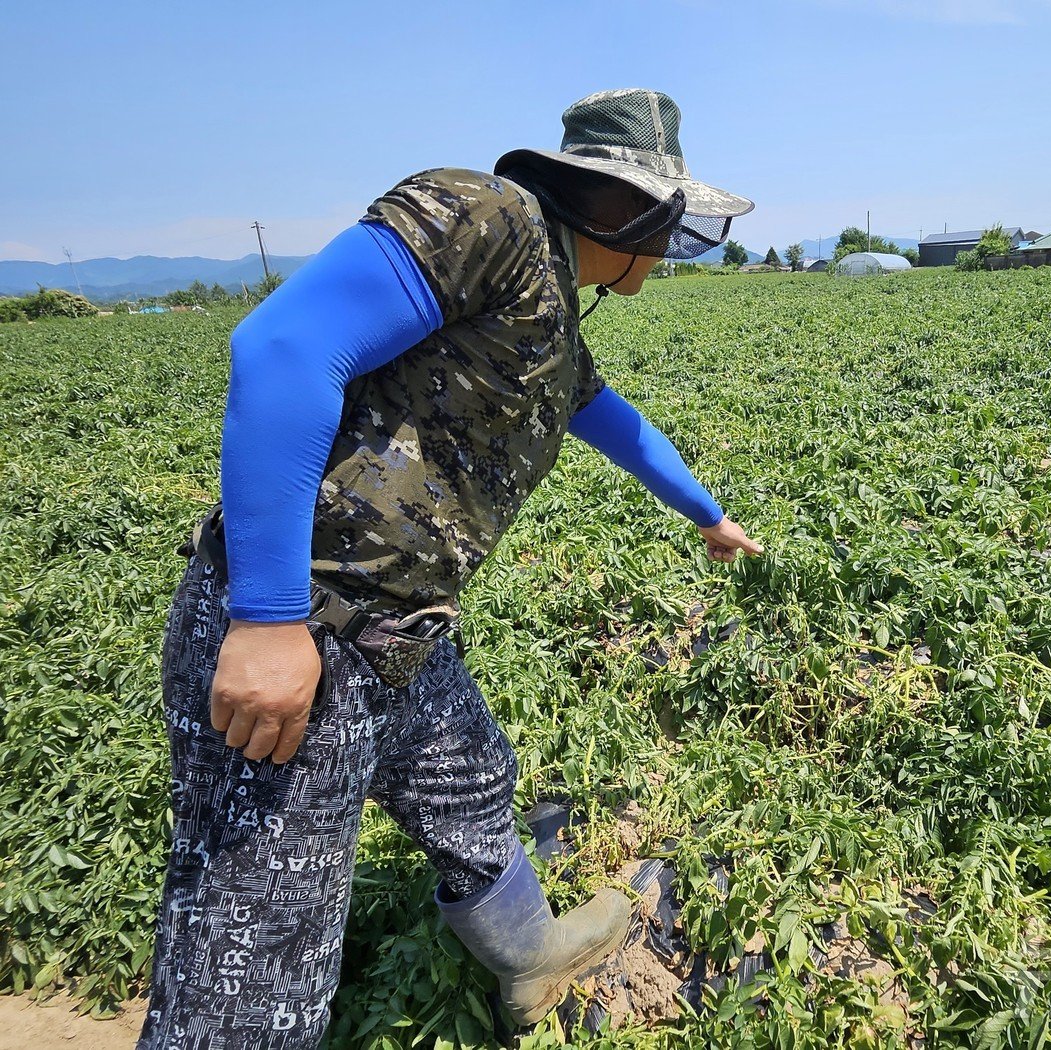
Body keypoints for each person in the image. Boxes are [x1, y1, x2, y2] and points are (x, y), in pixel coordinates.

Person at [137, 88, 762, 1049]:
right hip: (307, 631)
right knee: (257, 958)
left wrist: (708, 515)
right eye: (666, 214)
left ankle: (530, 957)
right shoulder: (489, 217)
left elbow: (618, 427)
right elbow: (283, 346)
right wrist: (265, 621)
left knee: (470, 783)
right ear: (627, 210)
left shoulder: (550, 315)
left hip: (402, 638)